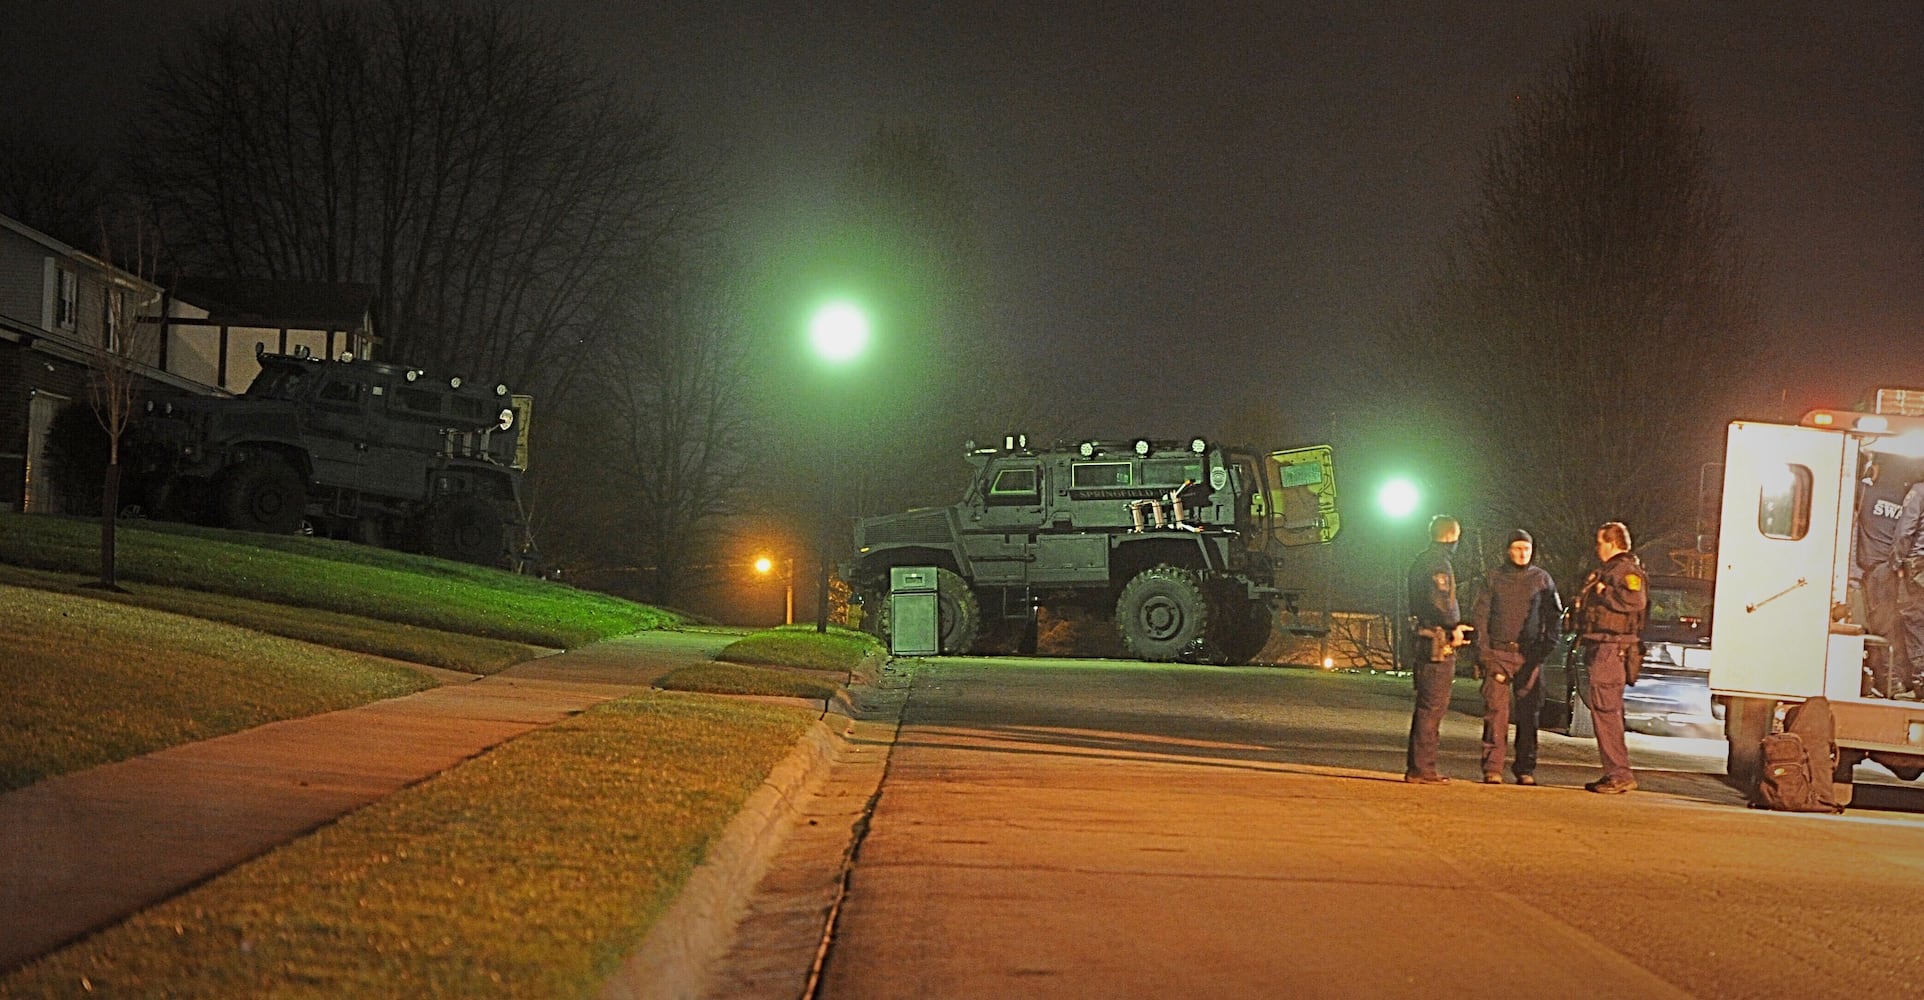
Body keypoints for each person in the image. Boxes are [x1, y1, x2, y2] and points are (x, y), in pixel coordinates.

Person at [1470, 528, 1562, 785]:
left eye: (1527, 549)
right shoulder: (1493, 578)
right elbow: (1480, 617)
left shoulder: (1542, 579)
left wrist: (1544, 649)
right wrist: (1484, 654)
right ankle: (1492, 768)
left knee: (1529, 713)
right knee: (1495, 713)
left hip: (1529, 656)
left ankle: (1525, 768)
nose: (1522, 553)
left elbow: (1554, 617)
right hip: (1498, 653)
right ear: (1507, 550)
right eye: (1517, 548)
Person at [1571, 521, 1648, 794]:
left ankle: (1619, 773)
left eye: (1600, 542)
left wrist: (1606, 595)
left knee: (1606, 711)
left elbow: (1635, 601)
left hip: (1612, 649)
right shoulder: (1611, 569)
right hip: (1604, 648)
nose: (1597, 547)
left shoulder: (1624, 570)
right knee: (1606, 711)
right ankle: (1615, 772)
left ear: (1612, 543)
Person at [1404, 514, 1472, 784]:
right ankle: (1422, 768)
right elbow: (1443, 601)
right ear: (1451, 537)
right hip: (1436, 641)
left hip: (1422, 637)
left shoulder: (1421, 560)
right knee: (1433, 706)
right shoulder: (1438, 564)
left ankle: (1419, 766)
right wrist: (1454, 625)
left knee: (1427, 704)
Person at [1854, 455, 1910, 694]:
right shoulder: (1910, 499)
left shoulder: (1866, 492)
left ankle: (1891, 683)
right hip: (1899, 572)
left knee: (1882, 628)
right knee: (1897, 627)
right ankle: (1894, 681)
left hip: (1877, 572)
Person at [1889, 475, 1924, 699]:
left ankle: (1921, 683)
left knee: (1915, 621)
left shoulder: (1919, 491)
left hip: (1919, 566)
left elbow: (1905, 531)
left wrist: (1896, 562)